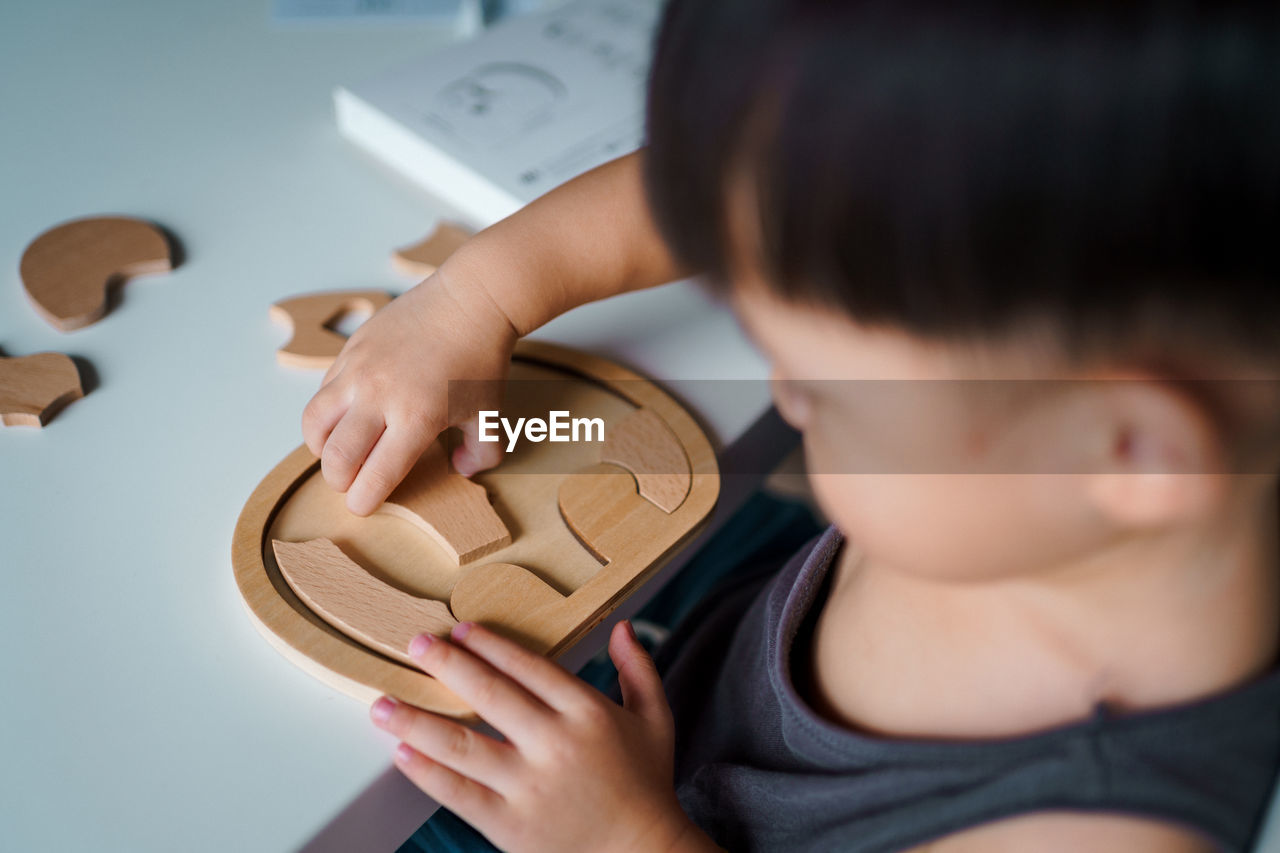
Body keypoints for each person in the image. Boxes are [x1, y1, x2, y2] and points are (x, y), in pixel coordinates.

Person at [302, 1, 1280, 850]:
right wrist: (476, 296)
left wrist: (625, 837)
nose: (783, 392)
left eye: (822, 389)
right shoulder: (1043, 470)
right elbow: (734, 195)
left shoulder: (1104, 832)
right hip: (712, 649)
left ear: (1130, 454)